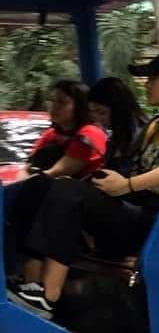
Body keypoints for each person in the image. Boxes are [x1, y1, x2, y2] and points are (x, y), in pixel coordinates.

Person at [13, 52, 159, 315]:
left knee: (67, 191)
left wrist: (127, 185)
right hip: (131, 212)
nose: (147, 85)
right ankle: (32, 280)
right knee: (43, 185)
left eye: (153, 78)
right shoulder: (154, 127)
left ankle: (48, 294)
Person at [4, 80, 107, 289]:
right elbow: (28, 168)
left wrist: (25, 183)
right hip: (42, 207)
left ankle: (33, 285)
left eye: (62, 102)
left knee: (36, 195)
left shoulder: (91, 133)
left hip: (73, 214)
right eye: (53, 101)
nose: (54, 107)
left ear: (79, 106)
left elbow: (60, 170)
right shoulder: (50, 135)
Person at [89, 77, 148, 176]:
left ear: (118, 109)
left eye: (101, 112)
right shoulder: (115, 137)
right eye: (93, 113)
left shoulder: (143, 135)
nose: (97, 119)